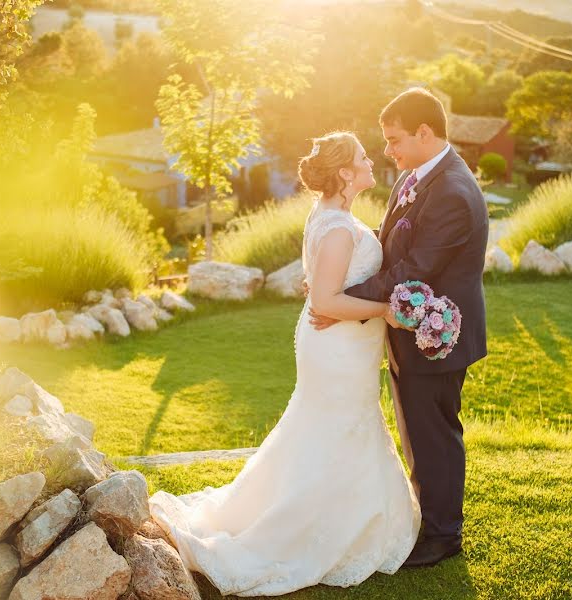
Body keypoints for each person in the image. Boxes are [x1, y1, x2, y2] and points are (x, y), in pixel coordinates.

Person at [148, 131, 421, 596]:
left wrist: (333, 294)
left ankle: (336, 514)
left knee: (323, 431)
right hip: (335, 348)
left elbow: (321, 284)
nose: (371, 161)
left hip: (340, 346)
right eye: (362, 157)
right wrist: (385, 310)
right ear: (344, 173)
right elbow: (327, 299)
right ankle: (298, 529)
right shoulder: (337, 227)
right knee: (332, 430)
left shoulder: (332, 217)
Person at [311, 87, 489, 567]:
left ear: (425, 133)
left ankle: (443, 533)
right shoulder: (416, 176)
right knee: (417, 430)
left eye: (394, 140)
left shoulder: (452, 191)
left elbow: (414, 270)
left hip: (436, 338)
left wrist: (342, 301)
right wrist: (337, 281)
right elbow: (390, 243)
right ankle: (427, 515)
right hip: (406, 331)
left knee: (434, 434)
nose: (387, 151)